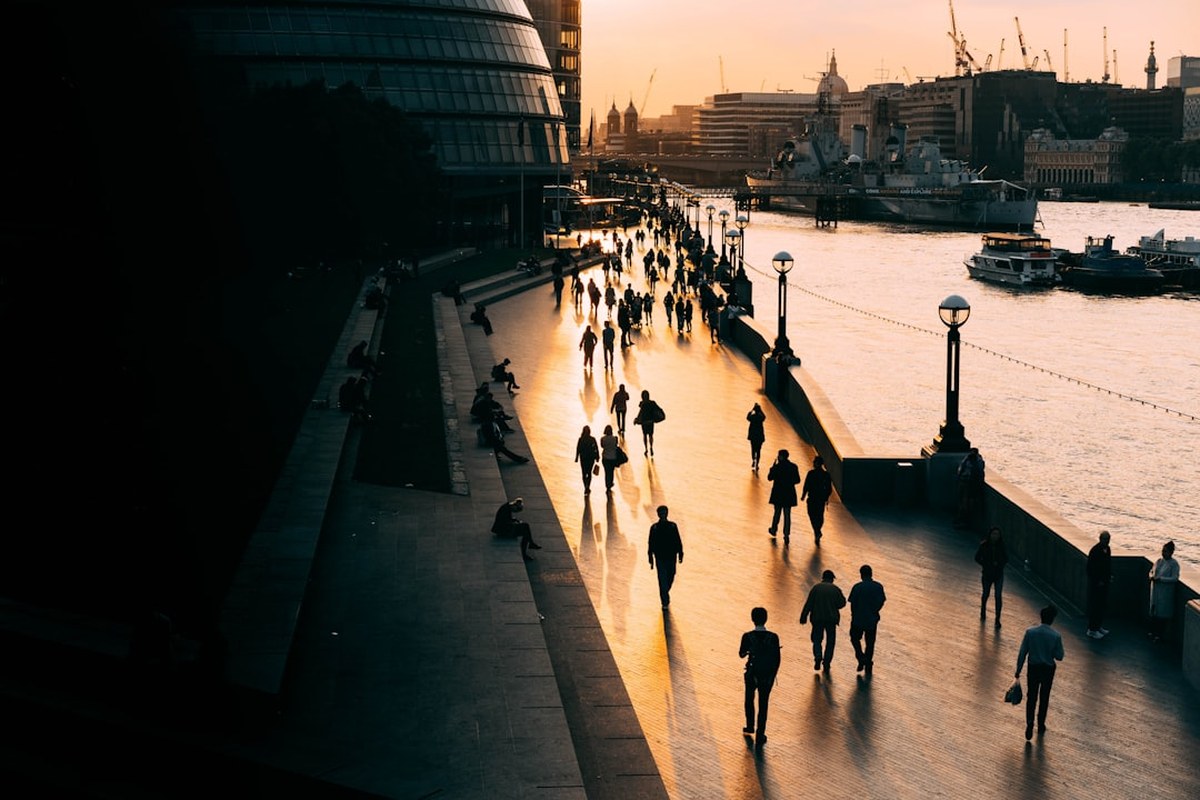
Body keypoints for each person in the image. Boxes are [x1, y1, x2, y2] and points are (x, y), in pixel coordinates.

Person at [1015, 605, 1064, 741]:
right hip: (1048, 669)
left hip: (1033, 667)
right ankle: (1041, 723)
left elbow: (1023, 652)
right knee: (1044, 697)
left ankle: (1029, 722)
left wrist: (1018, 670)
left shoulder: (1030, 632)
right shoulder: (1056, 636)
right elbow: (1060, 656)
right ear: (1052, 619)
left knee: (1031, 696)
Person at [739, 607, 781, 748]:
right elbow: (777, 659)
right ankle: (760, 733)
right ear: (766, 619)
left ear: (753, 619)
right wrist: (772, 675)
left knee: (749, 699)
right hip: (767, 676)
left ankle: (750, 725)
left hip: (752, 673)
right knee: (763, 704)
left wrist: (749, 651)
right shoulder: (773, 637)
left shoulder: (747, 636)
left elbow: (741, 654)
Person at [799, 570, 846, 672]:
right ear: (832, 579)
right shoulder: (835, 589)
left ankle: (818, 655)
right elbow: (842, 603)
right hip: (831, 619)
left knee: (816, 639)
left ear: (823, 578)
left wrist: (804, 616)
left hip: (817, 618)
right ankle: (827, 662)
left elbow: (809, 603)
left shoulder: (816, 588)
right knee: (830, 641)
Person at [847, 565, 886, 674]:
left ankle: (860, 657)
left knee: (854, 638)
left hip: (858, 619)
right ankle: (868, 661)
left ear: (861, 574)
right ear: (871, 573)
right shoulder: (878, 587)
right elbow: (881, 601)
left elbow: (852, 603)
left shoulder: (857, 587)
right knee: (870, 642)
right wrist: (875, 610)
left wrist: (854, 615)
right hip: (872, 619)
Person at [647, 505, 684, 608]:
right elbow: (650, 543)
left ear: (667, 513)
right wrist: (650, 557)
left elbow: (678, 540)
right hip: (660, 558)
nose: (663, 515)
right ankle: (665, 601)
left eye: (664, 513)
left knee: (671, 576)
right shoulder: (654, 528)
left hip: (671, 557)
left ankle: (664, 592)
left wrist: (680, 552)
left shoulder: (673, 526)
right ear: (658, 514)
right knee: (662, 579)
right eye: (661, 513)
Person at [975, 526, 1009, 628]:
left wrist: (999, 564)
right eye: (994, 534)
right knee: (986, 594)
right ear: (990, 535)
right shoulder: (984, 545)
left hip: (998, 574)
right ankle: (983, 611)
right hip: (987, 574)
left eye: (997, 534)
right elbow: (977, 558)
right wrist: (986, 564)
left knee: (998, 596)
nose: (995, 536)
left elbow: (1006, 558)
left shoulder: (1001, 546)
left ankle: (997, 618)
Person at [1148, 541, 1180, 642]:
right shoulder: (1159, 561)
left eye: (1165, 551)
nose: (1163, 553)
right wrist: (1151, 577)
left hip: (1165, 592)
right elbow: (1151, 571)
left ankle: (1159, 635)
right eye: (1163, 551)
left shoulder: (1174, 564)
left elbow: (1175, 578)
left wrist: (1161, 579)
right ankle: (1152, 632)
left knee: (1162, 615)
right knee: (1154, 612)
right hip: (1156, 590)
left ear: (1171, 552)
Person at [766, 450, 801, 543]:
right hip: (789, 493)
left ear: (781, 457)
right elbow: (797, 480)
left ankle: (774, 529)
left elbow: (769, 478)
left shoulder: (777, 467)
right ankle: (786, 534)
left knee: (777, 513)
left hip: (778, 493)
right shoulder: (793, 467)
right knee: (787, 515)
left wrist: (772, 468)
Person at [800, 455, 833, 544]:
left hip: (812, 498)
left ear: (816, 463)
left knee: (811, 514)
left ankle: (817, 531)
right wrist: (826, 497)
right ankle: (817, 530)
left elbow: (806, 485)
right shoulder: (826, 475)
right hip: (821, 499)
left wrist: (803, 495)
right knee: (820, 515)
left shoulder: (811, 473)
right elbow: (829, 488)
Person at [1086, 530, 1112, 639]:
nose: (1107, 541)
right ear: (1100, 539)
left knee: (1102, 605)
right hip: (1096, 584)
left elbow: (1108, 565)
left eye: (1108, 539)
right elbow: (1091, 568)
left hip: (1104, 582)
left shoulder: (1107, 549)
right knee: (1095, 606)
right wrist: (1097, 580)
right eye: (1105, 539)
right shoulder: (1095, 550)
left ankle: (1098, 626)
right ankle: (1092, 629)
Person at [954, 447, 985, 528]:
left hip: (971, 485)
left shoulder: (977, 461)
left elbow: (979, 474)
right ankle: (961, 519)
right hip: (965, 483)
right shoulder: (967, 459)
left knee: (967, 504)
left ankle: (964, 521)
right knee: (962, 502)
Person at [634, 390, 664, 456]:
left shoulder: (643, 404)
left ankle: (646, 449)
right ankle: (651, 447)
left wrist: (637, 420)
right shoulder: (652, 403)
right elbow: (658, 409)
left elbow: (640, 413)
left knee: (644, 435)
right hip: (651, 422)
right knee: (651, 435)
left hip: (644, 422)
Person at [574, 425, 599, 495]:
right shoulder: (592, 439)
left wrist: (576, 457)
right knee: (589, 473)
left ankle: (585, 486)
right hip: (591, 458)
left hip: (583, 458)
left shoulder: (581, 439)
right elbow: (596, 448)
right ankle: (588, 486)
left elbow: (578, 448)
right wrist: (597, 456)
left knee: (584, 473)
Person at [599, 424, 621, 493]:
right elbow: (616, 445)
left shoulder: (603, 439)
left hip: (605, 458)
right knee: (611, 472)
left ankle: (607, 485)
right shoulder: (615, 438)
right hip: (613, 458)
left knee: (606, 472)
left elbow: (602, 446)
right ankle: (610, 483)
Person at [746, 403, 766, 470]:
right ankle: (757, 463)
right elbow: (764, 417)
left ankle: (753, 460)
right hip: (759, 437)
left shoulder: (752, 417)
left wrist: (752, 410)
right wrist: (761, 410)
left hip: (753, 436)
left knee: (753, 449)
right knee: (758, 450)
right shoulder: (760, 418)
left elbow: (747, 417)